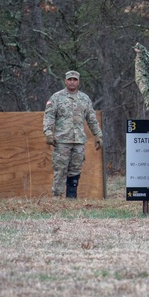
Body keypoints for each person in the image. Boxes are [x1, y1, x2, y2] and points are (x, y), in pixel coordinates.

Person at [43, 69, 103, 199]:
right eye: (69, 79)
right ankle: (57, 197)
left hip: (79, 141)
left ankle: (71, 198)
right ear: (65, 81)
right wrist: (48, 133)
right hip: (62, 141)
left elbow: (91, 118)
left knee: (75, 170)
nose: (72, 82)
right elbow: (49, 116)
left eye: (74, 80)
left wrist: (98, 135)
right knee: (60, 170)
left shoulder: (84, 98)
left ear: (78, 82)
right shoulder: (56, 97)